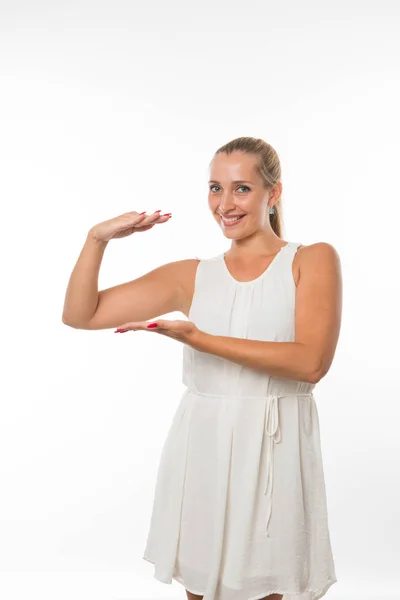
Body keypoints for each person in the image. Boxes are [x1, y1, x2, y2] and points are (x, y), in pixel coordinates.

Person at [62, 136, 342, 600]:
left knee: (275, 588)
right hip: (205, 445)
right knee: (201, 588)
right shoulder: (192, 274)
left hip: (276, 449)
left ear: (273, 194)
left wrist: (199, 339)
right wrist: (97, 240)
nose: (225, 204)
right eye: (215, 188)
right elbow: (80, 314)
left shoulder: (311, 260)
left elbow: (310, 363)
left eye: (241, 189)